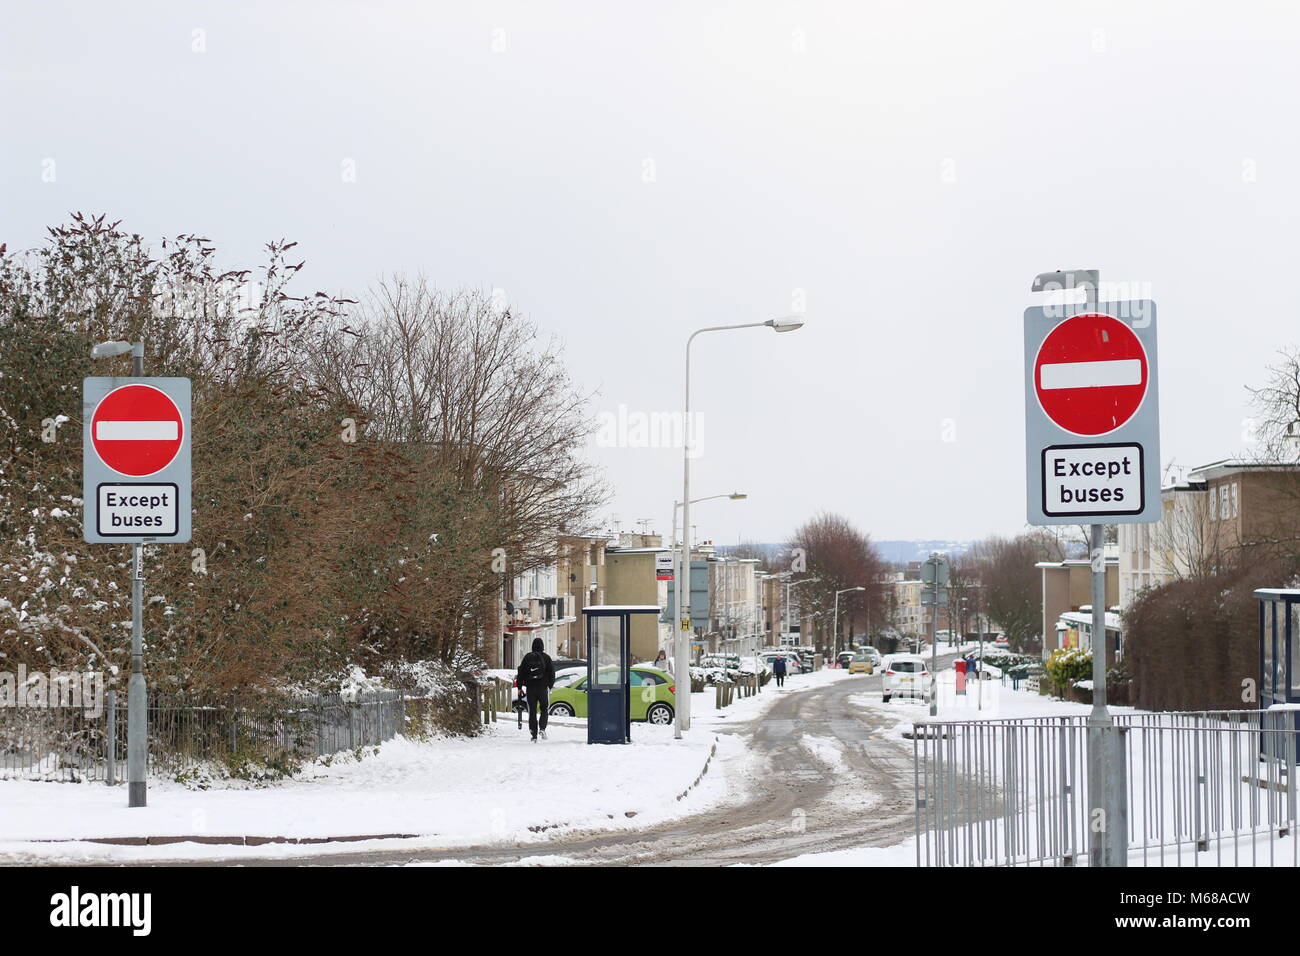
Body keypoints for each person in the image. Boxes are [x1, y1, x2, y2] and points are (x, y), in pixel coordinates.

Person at [516, 637, 556, 742]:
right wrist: (549, 686)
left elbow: (520, 673)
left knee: (532, 711)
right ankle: (542, 728)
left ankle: (534, 735)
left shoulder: (527, 657)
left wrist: (520, 687)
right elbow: (552, 673)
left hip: (531, 688)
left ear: (532, 646)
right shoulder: (546, 658)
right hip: (543, 688)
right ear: (543, 646)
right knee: (544, 709)